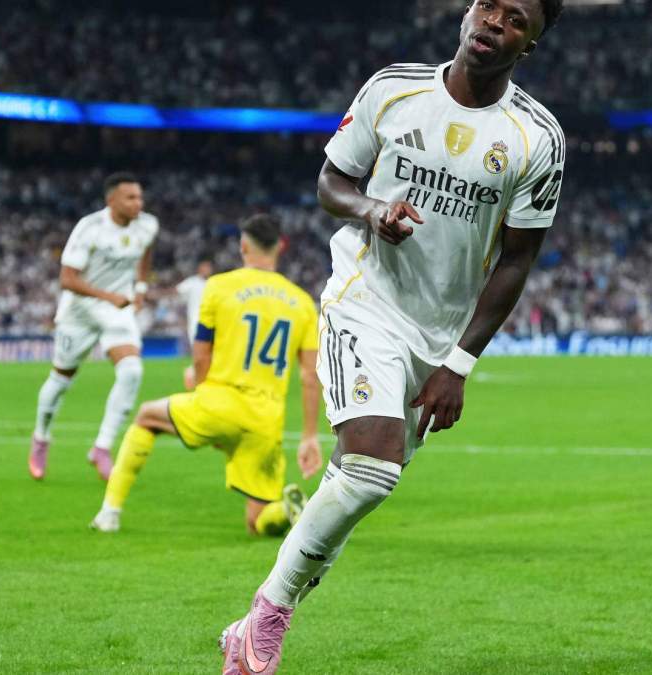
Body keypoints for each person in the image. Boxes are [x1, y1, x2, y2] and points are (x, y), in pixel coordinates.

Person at [219, 1, 566, 672]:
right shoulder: (393, 88)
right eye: (487, 5)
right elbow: (331, 181)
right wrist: (372, 207)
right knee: (373, 469)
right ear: (468, 13)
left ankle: (250, 623)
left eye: (516, 18)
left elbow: (518, 258)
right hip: (365, 298)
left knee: (355, 485)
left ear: (530, 44)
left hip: (438, 336)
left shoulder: (536, 137)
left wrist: (459, 362)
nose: (495, 20)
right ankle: (267, 616)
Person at [89, 214, 322, 536]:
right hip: (266, 419)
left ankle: (109, 512)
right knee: (258, 522)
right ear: (280, 247)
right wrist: (310, 435)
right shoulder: (303, 302)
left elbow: (201, 354)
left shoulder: (219, 286)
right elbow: (310, 375)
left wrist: (200, 393)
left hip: (221, 401)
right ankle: (288, 509)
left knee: (145, 417)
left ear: (243, 246)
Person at [29, 173, 157, 481]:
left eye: (139, 197)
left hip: (118, 310)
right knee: (61, 380)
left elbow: (145, 254)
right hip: (81, 311)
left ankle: (101, 448)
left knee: (132, 372)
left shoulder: (148, 225)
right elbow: (67, 279)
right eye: (130, 198)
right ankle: (41, 437)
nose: (138, 203)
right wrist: (108, 296)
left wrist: (139, 289)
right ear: (111, 200)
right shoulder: (90, 229)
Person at [177, 257, 215, 390]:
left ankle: (198, 375)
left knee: (211, 352)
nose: (207, 270)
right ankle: (193, 374)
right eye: (205, 267)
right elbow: (177, 292)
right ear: (200, 268)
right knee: (200, 350)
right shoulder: (192, 282)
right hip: (196, 321)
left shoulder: (213, 282)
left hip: (212, 322)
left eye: (209, 267)